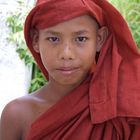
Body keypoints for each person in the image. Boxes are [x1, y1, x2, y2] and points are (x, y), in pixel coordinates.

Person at [0, 0, 140, 139]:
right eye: (53, 39)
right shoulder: (17, 114)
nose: (66, 54)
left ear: (99, 39)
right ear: (36, 40)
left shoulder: (122, 109)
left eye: (81, 39)